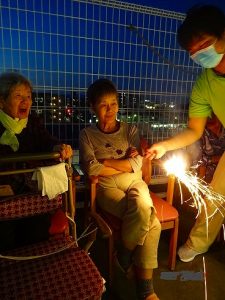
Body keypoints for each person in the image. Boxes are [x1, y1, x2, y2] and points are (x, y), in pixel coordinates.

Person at [145, 5, 225, 263]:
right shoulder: (204, 84)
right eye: (193, 53)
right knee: (216, 195)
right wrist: (165, 146)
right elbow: (194, 130)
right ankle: (199, 243)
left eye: (204, 45)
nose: (200, 54)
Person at [79, 78, 160, 300]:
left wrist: (105, 163)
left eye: (113, 103)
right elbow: (91, 169)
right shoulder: (87, 134)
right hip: (106, 187)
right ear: (92, 107)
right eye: (103, 104)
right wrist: (118, 164)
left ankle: (123, 256)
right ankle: (146, 290)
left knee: (143, 207)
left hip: (134, 181)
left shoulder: (130, 129)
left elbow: (136, 165)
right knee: (152, 221)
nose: (110, 109)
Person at [0, 71, 73, 250]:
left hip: (32, 195)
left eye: (28, 96)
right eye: (18, 96)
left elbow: (47, 141)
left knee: (37, 232)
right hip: (4, 197)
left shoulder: (32, 122)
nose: (26, 101)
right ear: (2, 101)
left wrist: (58, 147)